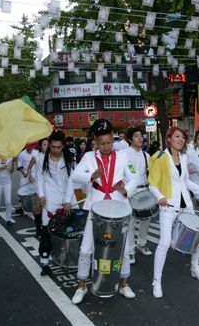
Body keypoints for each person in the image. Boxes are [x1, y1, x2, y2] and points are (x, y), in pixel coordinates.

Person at [70, 119, 139, 304]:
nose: (106, 146)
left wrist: (126, 190)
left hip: (119, 206)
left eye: (109, 142)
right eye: (102, 144)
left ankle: (124, 284)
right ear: (96, 143)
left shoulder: (123, 156)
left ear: (113, 140)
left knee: (122, 248)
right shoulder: (89, 158)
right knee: (86, 248)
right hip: (96, 206)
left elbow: (134, 176)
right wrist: (90, 176)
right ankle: (81, 286)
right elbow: (75, 175)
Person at [149, 127, 199, 298]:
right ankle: (157, 281)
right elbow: (152, 183)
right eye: (177, 136)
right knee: (165, 242)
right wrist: (159, 196)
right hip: (168, 205)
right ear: (168, 139)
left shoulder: (183, 157)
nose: (181, 139)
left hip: (186, 205)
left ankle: (194, 267)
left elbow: (186, 181)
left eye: (183, 137)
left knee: (196, 235)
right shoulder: (161, 158)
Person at [36, 130, 75, 276]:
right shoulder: (41, 160)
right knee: (47, 231)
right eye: (53, 147)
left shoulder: (70, 160)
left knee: (71, 230)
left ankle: (70, 258)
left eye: (59, 147)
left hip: (68, 199)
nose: (56, 150)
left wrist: (67, 200)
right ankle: (45, 263)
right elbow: (39, 178)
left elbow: (72, 180)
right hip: (50, 199)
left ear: (63, 146)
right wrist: (41, 195)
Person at [123, 127, 153, 264]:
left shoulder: (147, 156)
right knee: (131, 222)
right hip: (130, 192)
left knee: (146, 219)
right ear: (130, 139)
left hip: (144, 191)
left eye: (141, 136)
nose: (140, 138)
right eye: (136, 136)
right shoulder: (124, 154)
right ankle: (130, 250)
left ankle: (142, 243)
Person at [27, 138, 48, 238]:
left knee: (48, 207)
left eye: (48, 144)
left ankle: (46, 228)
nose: (46, 146)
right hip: (38, 184)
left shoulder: (52, 156)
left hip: (49, 184)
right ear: (40, 146)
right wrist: (30, 176)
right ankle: (38, 229)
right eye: (44, 145)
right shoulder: (36, 156)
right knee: (37, 207)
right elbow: (29, 167)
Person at [16, 145, 36, 215]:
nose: (30, 148)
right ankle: (23, 209)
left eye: (31, 146)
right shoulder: (21, 154)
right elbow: (19, 166)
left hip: (34, 176)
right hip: (24, 176)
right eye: (28, 146)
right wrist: (24, 173)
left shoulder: (35, 152)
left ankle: (34, 208)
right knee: (24, 193)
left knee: (34, 192)